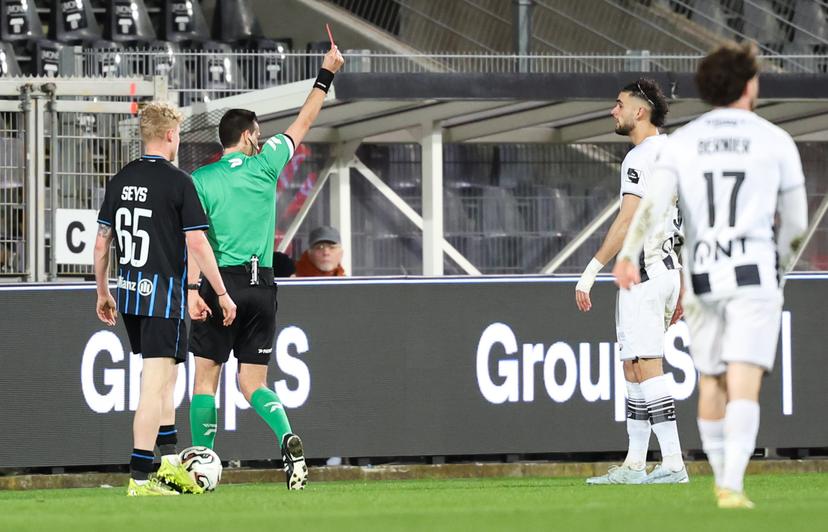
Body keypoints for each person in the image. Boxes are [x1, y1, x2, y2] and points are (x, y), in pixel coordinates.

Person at [614, 42, 808, 509]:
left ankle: (709, 473)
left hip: (702, 274)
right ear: (749, 85)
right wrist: (777, 268)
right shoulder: (774, 140)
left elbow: (653, 204)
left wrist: (628, 254)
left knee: (712, 382)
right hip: (751, 272)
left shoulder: (684, 142)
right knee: (744, 381)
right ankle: (730, 485)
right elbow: (798, 225)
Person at [186, 45, 345, 491]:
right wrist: (325, 74)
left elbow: (195, 241)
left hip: (223, 284)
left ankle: (204, 465)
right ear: (250, 135)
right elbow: (305, 122)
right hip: (263, 284)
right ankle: (287, 438)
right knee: (253, 382)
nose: (262, 137)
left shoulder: (201, 180)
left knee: (206, 378)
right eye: (258, 132)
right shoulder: (265, 164)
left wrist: (195, 289)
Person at [94, 101, 237, 497]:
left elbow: (102, 241)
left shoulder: (120, 179)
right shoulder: (178, 182)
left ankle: (171, 462)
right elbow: (197, 242)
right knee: (154, 385)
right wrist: (221, 292)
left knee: (169, 377)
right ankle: (140, 478)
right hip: (162, 296)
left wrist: (103, 290)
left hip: (131, 295)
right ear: (172, 136)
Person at [576, 78, 688, 485]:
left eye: (619, 104)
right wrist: (685, 281)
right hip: (664, 271)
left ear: (639, 112)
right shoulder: (673, 152)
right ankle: (635, 465)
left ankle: (674, 463)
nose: (614, 110)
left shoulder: (640, 157)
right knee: (631, 366)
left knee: (648, 365)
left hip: (646, 273)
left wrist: (590, 270)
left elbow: (628, 221)